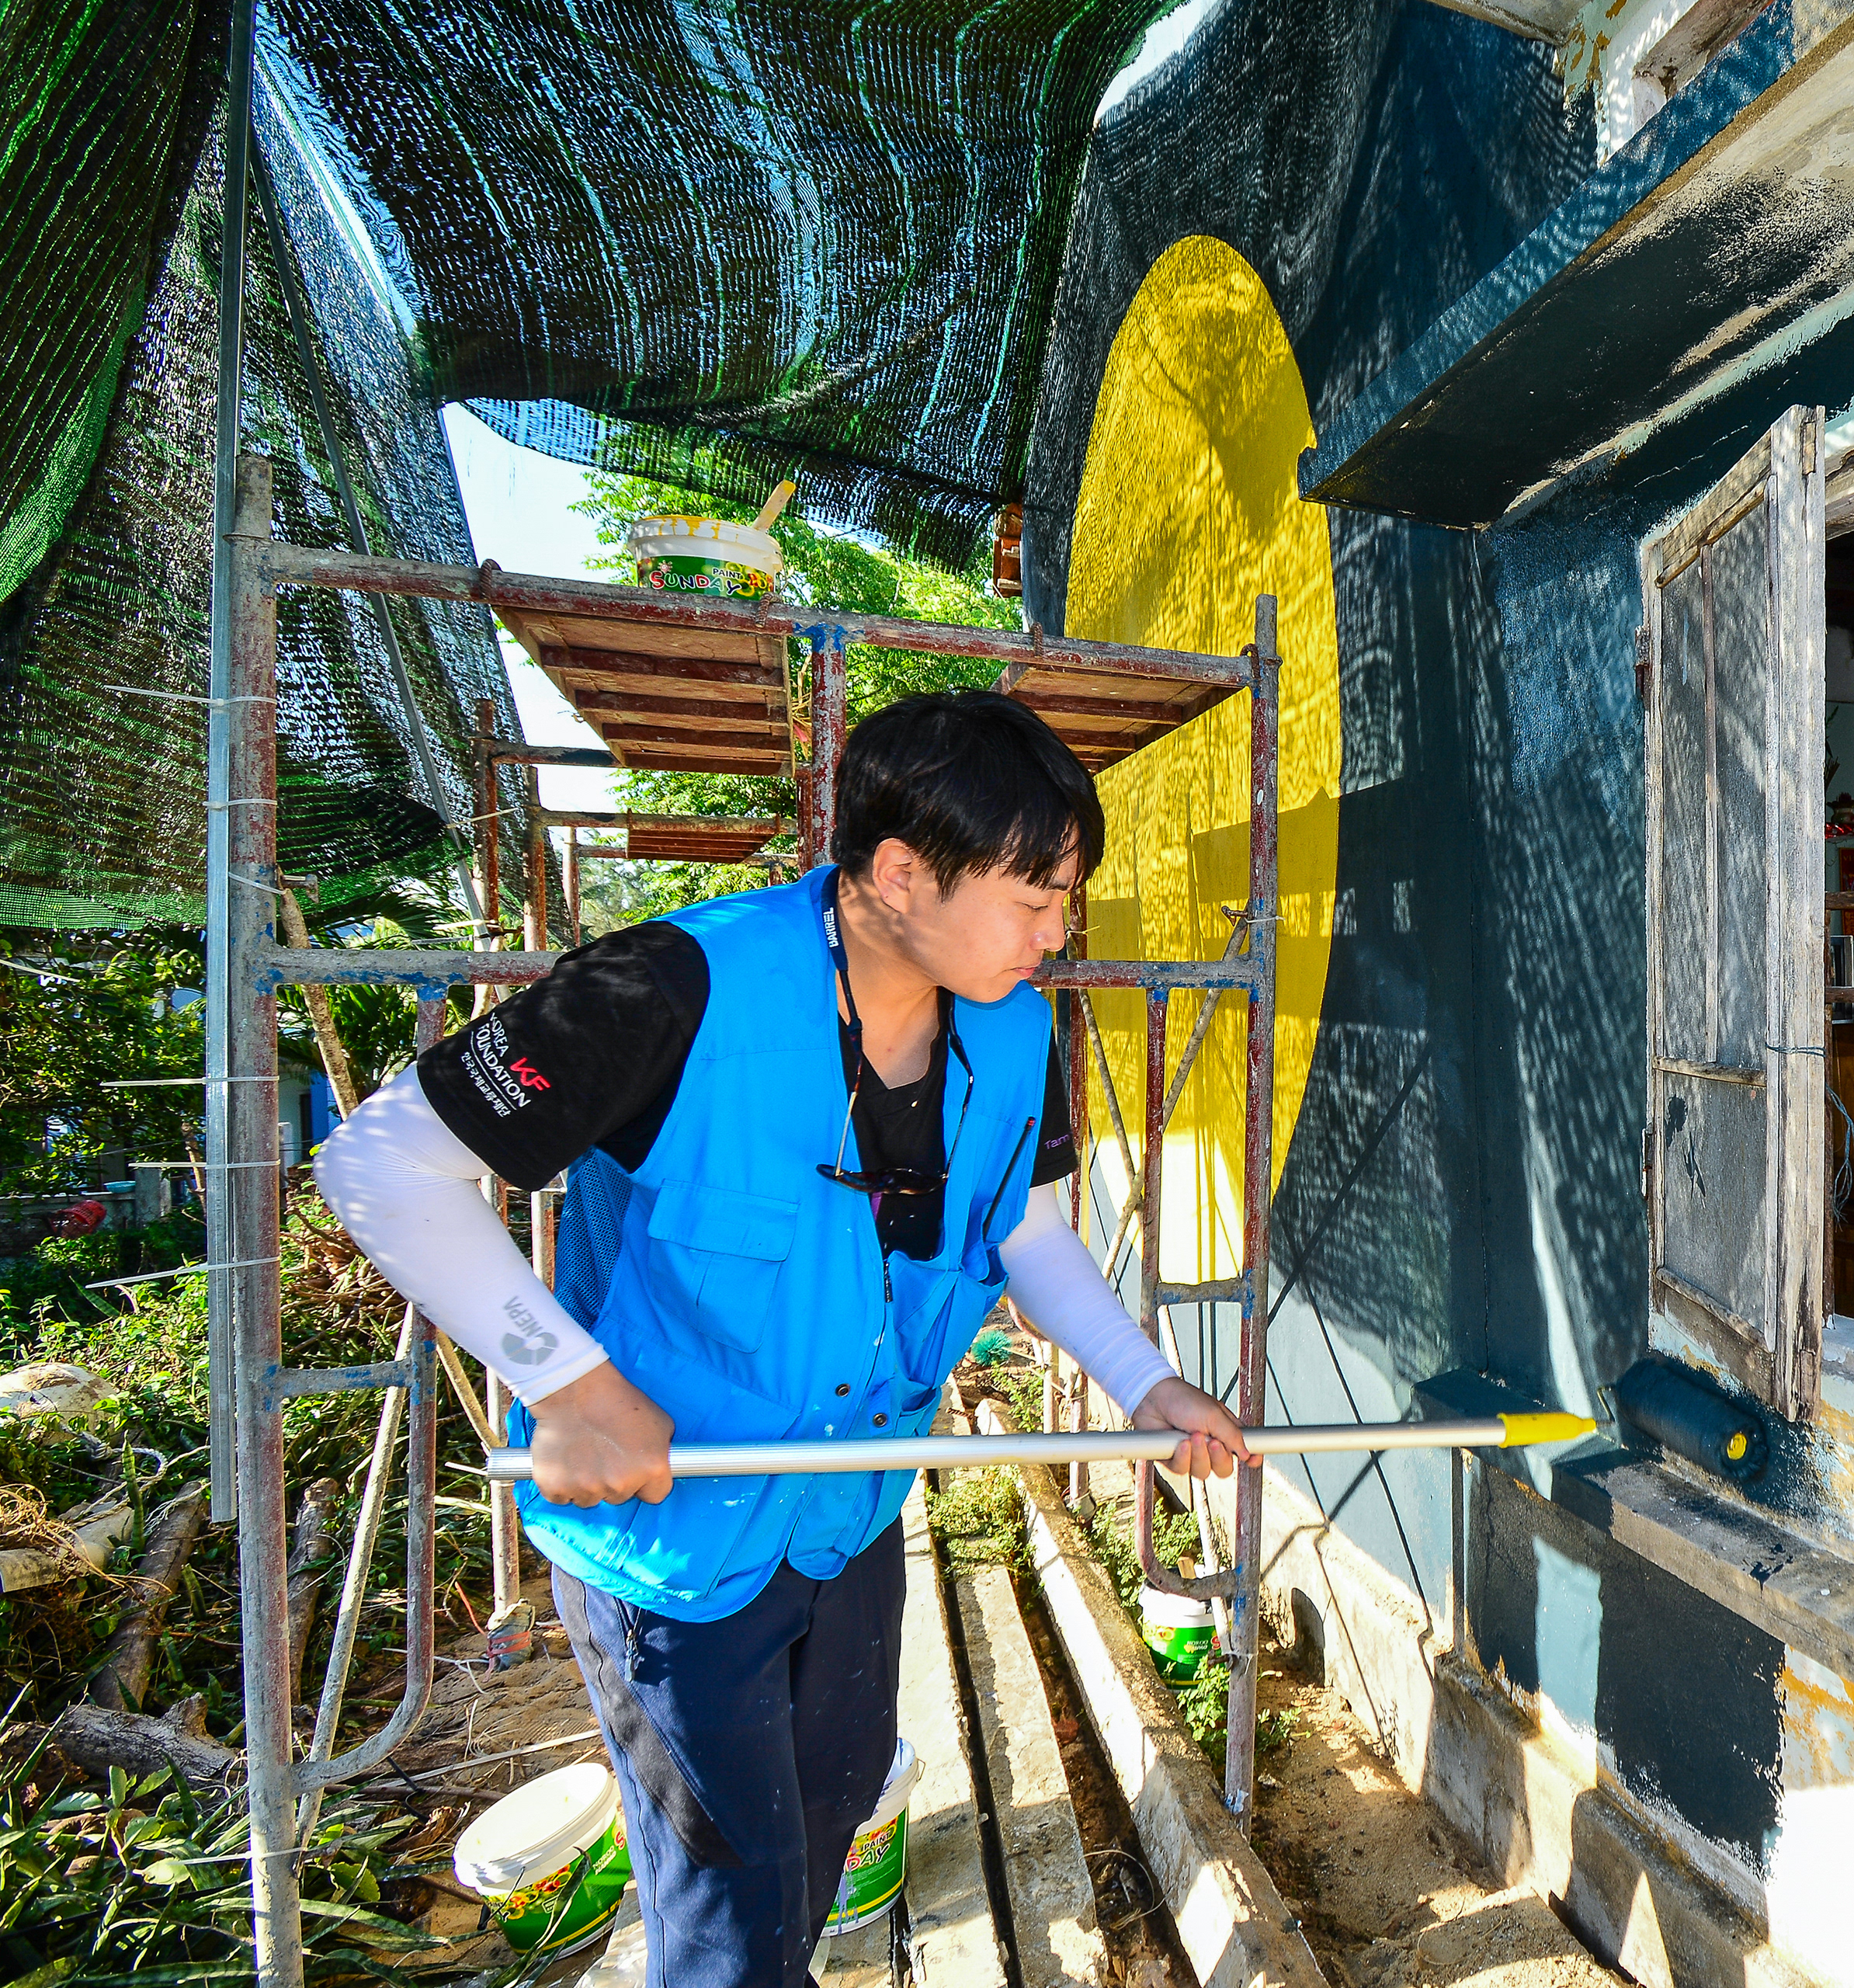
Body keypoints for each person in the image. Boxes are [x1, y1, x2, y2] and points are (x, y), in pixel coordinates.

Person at [318, 690, 1252, 1986]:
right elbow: (377, 1165)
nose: (1059, 932)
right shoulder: (669, 987)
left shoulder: (1018, 1026)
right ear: (899, 873)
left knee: (841, 1796)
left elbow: (1029, 1241)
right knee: (732, 1904)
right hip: (678, 1547)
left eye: (1067, 896)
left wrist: (1148, 1383)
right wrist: (567, 1383)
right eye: (1034, 897)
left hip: (849, 1514)